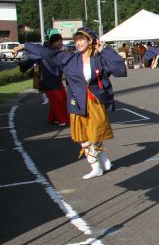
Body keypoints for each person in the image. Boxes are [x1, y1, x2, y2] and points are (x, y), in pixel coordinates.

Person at [14, 28, 127, 179]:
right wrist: (25, 46)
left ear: (90, 41)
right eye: (76, 40)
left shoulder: (99, 59)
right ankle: (96, 166)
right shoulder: (69, 59)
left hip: (95, 101)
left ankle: (104, 159)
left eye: (82, 39)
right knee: (82, 136)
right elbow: (47, 53)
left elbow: (120, 69)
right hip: (77, 101)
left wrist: (105, 50)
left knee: (95, 134)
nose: (78, 43)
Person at [18, 33, 69, 125]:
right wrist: (22, 50)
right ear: (54, 42)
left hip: (56, 80)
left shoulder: (56, 51)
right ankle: (63, 119)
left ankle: (52, 118)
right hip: (48, 81)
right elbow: (33, 57)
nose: (61, 43)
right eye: (60, 41)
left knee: (63, 98)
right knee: (58, 100)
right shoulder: (46, 51)